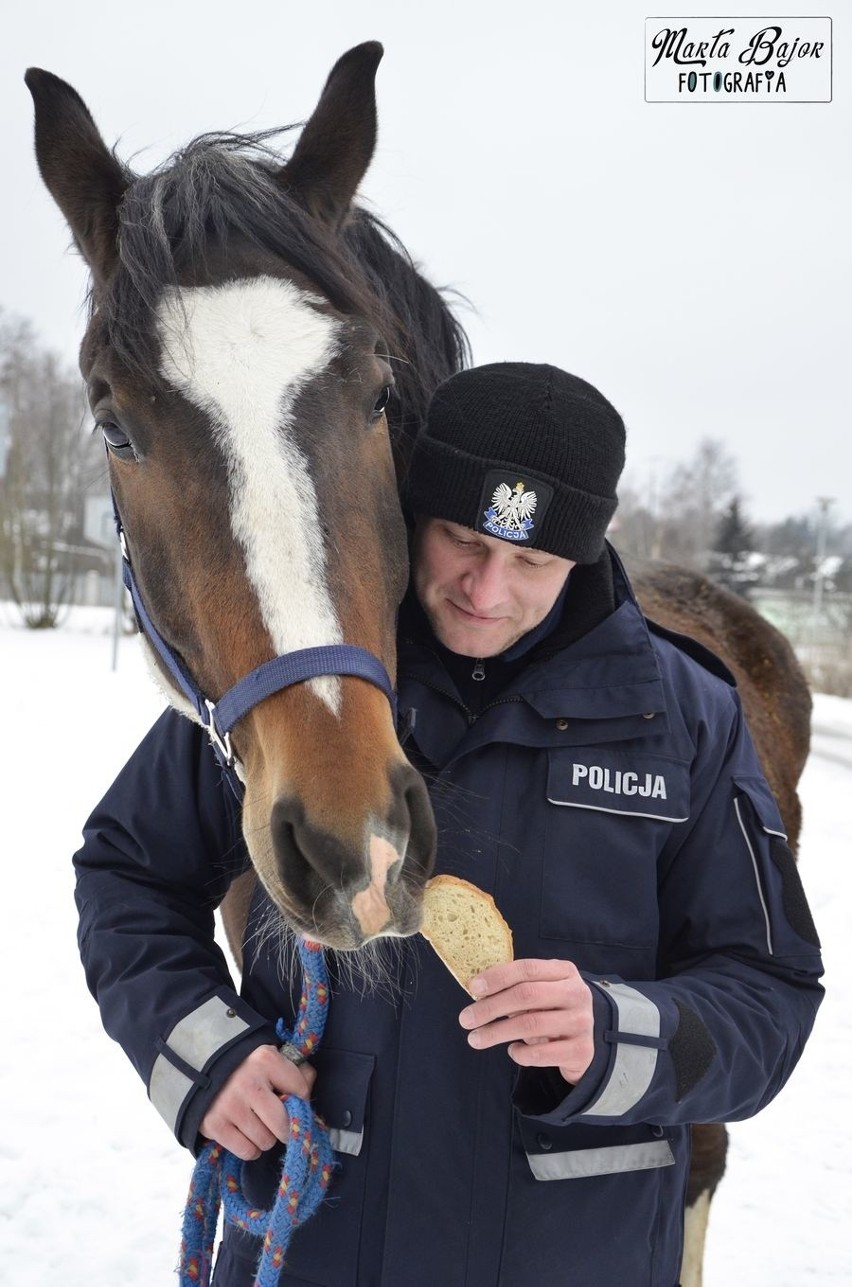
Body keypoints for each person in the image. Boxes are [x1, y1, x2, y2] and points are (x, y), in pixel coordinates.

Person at [74, 362, 823, 1287]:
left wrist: (617, 1031)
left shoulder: (687, 718)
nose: (486, 589)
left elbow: (770, 992)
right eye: (462, 539)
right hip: (317, 1253)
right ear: (410, 515)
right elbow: (125, 871)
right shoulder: (303, 680)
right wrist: (202, 1058)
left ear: (586, 554)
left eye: (534, 562)